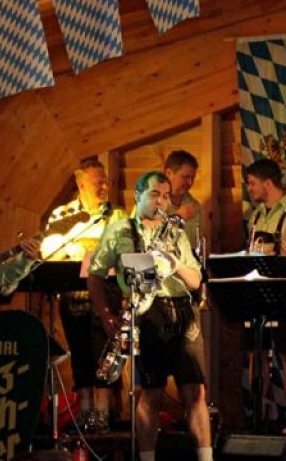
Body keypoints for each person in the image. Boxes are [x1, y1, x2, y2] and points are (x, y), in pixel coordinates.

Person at [86, 171, 211, 461]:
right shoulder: (119, 230)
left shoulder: (176, 232)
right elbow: (95, 276)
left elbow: (195, 281)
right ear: (137, 196)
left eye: (166, 196)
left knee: (196, 392)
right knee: (151, 392)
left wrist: (175, 264)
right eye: (155, 194)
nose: (162, 202)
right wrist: (106, 315)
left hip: (183, 311)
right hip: (146, 313)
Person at [42, 158, 128, 433]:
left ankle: (102, 413)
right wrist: (77, 249)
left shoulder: (117, 215)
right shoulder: (63, 215)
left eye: (105, 181)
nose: (104, 187)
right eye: (97, 182)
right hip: (73, 294)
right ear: (80, 184)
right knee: (79, 351)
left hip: (107, 296)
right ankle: (86, 412)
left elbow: (125, 249)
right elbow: (48, 251)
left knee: (103, 351)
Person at [244, 158, 286, 257]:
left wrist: (283, 258)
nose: (249, 189)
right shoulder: (255, 216)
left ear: (267, 184)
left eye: (252, 183)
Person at [163, 150, 203, 250]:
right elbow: (143, 241)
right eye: (185, 177)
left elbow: (200, 245)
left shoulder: (196, 207)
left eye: (192, 178)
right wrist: (176, 218)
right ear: (169, 173)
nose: (190, 183)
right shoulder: (149, 203)